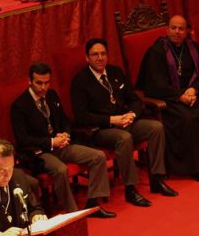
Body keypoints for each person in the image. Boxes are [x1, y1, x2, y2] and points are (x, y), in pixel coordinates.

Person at [71, 38, 177, 207]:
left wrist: (132, 115)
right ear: (87, 58)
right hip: (101, 129)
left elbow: (134, 99)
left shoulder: (115, 72)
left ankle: (157, 179)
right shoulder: (80, 81)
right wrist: (112, 120)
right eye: (95, 55)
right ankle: (131, 189)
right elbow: (82, 116)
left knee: (156, 128)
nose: (100, 58)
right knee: (124, 138)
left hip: (126, 121)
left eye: (103, 54)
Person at [11, 62, 115, 218]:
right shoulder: (20, 105)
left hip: (60, 145)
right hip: (39, 153)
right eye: (39, 83)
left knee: (98, 157)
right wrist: (51, 142)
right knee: (60, 170)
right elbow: (23, 139)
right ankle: (72, 213)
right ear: (29, 81)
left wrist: (65, 134)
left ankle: (93, 204)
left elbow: (65, 120)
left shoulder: (51, 95)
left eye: (46, 83)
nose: (43, 87)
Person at [138, 15, 199, 182]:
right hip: (170, 98)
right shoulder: (157, 52)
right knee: (189, 119)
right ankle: (196, 167)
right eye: (173, 28)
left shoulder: (193, 47)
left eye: (181, 29)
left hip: (192, 93)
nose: (177, 32)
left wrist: (193, 90)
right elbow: (155, 84)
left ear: (187, 31)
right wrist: (179, 96)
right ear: (167, 30)